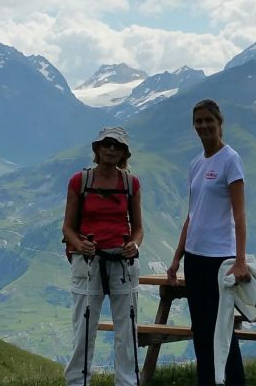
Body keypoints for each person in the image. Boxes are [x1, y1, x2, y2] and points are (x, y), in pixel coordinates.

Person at [165, 99, 250, 386]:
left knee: (221, 329)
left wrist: (240, 261)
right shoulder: (196, 163)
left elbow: (239, 214)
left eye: (207, 121)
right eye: (198, 121)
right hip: (195, 257)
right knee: (201, 329)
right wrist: (177, 258)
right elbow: (192, 215)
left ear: (219, 123)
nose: (202, 126)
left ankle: (234, 382)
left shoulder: (230, 159)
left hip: (219, 259)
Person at [63, 126, 145, 386]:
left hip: (122, 261)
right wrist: (80, 245)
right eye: (107, 144)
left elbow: (139, 228)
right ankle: (78, 382)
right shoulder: (80, 182)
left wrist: (135, 245)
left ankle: (127, 382)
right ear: (97, 149)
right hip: (87, 262)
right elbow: (68, 228)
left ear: (124, 153)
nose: (111, 149)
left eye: (117, 146)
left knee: (127, 330)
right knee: (84, 330)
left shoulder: (131, 184)